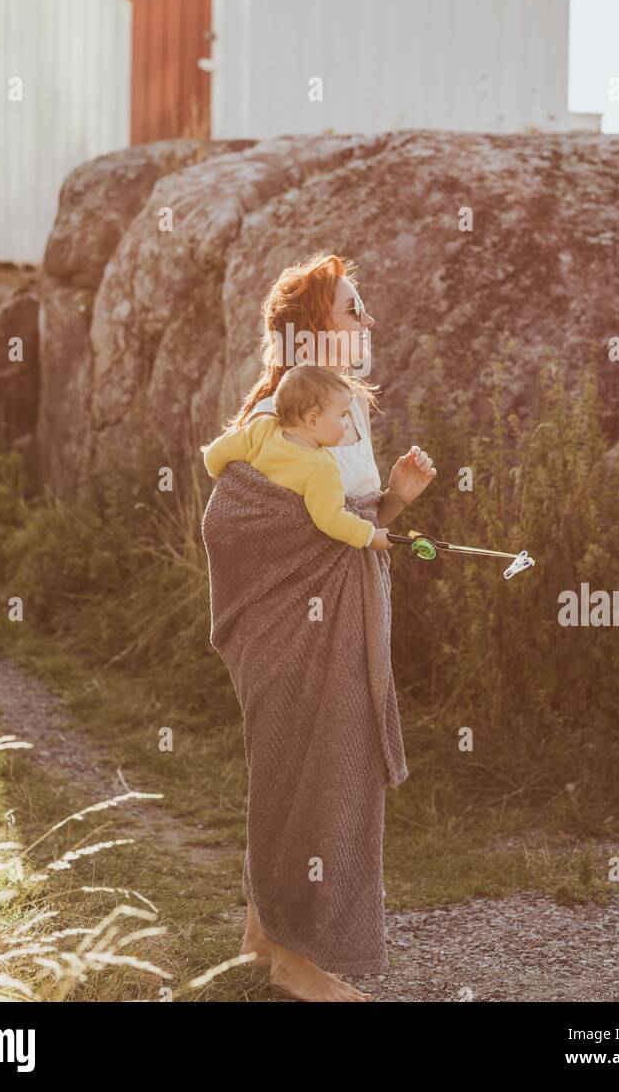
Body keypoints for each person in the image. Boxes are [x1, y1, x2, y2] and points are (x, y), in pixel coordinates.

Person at [203, 251, 437, 1003]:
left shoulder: (346, 406)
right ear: (310, 328)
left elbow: (343, 523)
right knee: (308, 770)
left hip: (345, 614)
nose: (367, 319)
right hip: (287, 623)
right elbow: (234, 521)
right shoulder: (276, 412)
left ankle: (264, 936)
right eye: (351, 308)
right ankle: (298, 959)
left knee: (308, 768)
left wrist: (395, 500)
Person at [201, 364, 392, 552]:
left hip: (252, 539)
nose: (347, 425)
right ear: (312, 420)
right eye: (342, 415)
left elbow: (214, 453)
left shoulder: (262, 430)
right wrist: (370, 536)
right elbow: (332, 518)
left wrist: (220, 477)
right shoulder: (322, 467)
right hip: (289, 548)